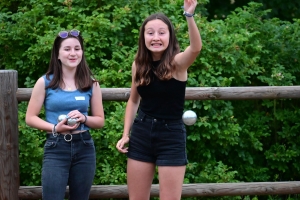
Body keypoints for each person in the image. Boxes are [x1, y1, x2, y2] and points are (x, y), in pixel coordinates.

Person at [116, 0, 202, 199]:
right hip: (141, 133)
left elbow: (196, 48)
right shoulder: (138, 64)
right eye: (150, 32)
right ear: (143, 37)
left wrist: (189, 16)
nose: (156, 37)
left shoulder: (177, 64)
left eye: (162, 32)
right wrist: (125, 133)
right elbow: (133, 101)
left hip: (171, 136)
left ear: (170, 37)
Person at [26, 29, 105, 200]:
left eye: (77, 49)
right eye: (67, 49)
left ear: (82, 53)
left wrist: (84, 118)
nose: (73, 53)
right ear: (58, 54)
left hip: (84, 147)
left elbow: (99, 121)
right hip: (56, 147)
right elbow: (30, 117)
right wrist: (55, 128)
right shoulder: (45, 82)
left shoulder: (92, 84)